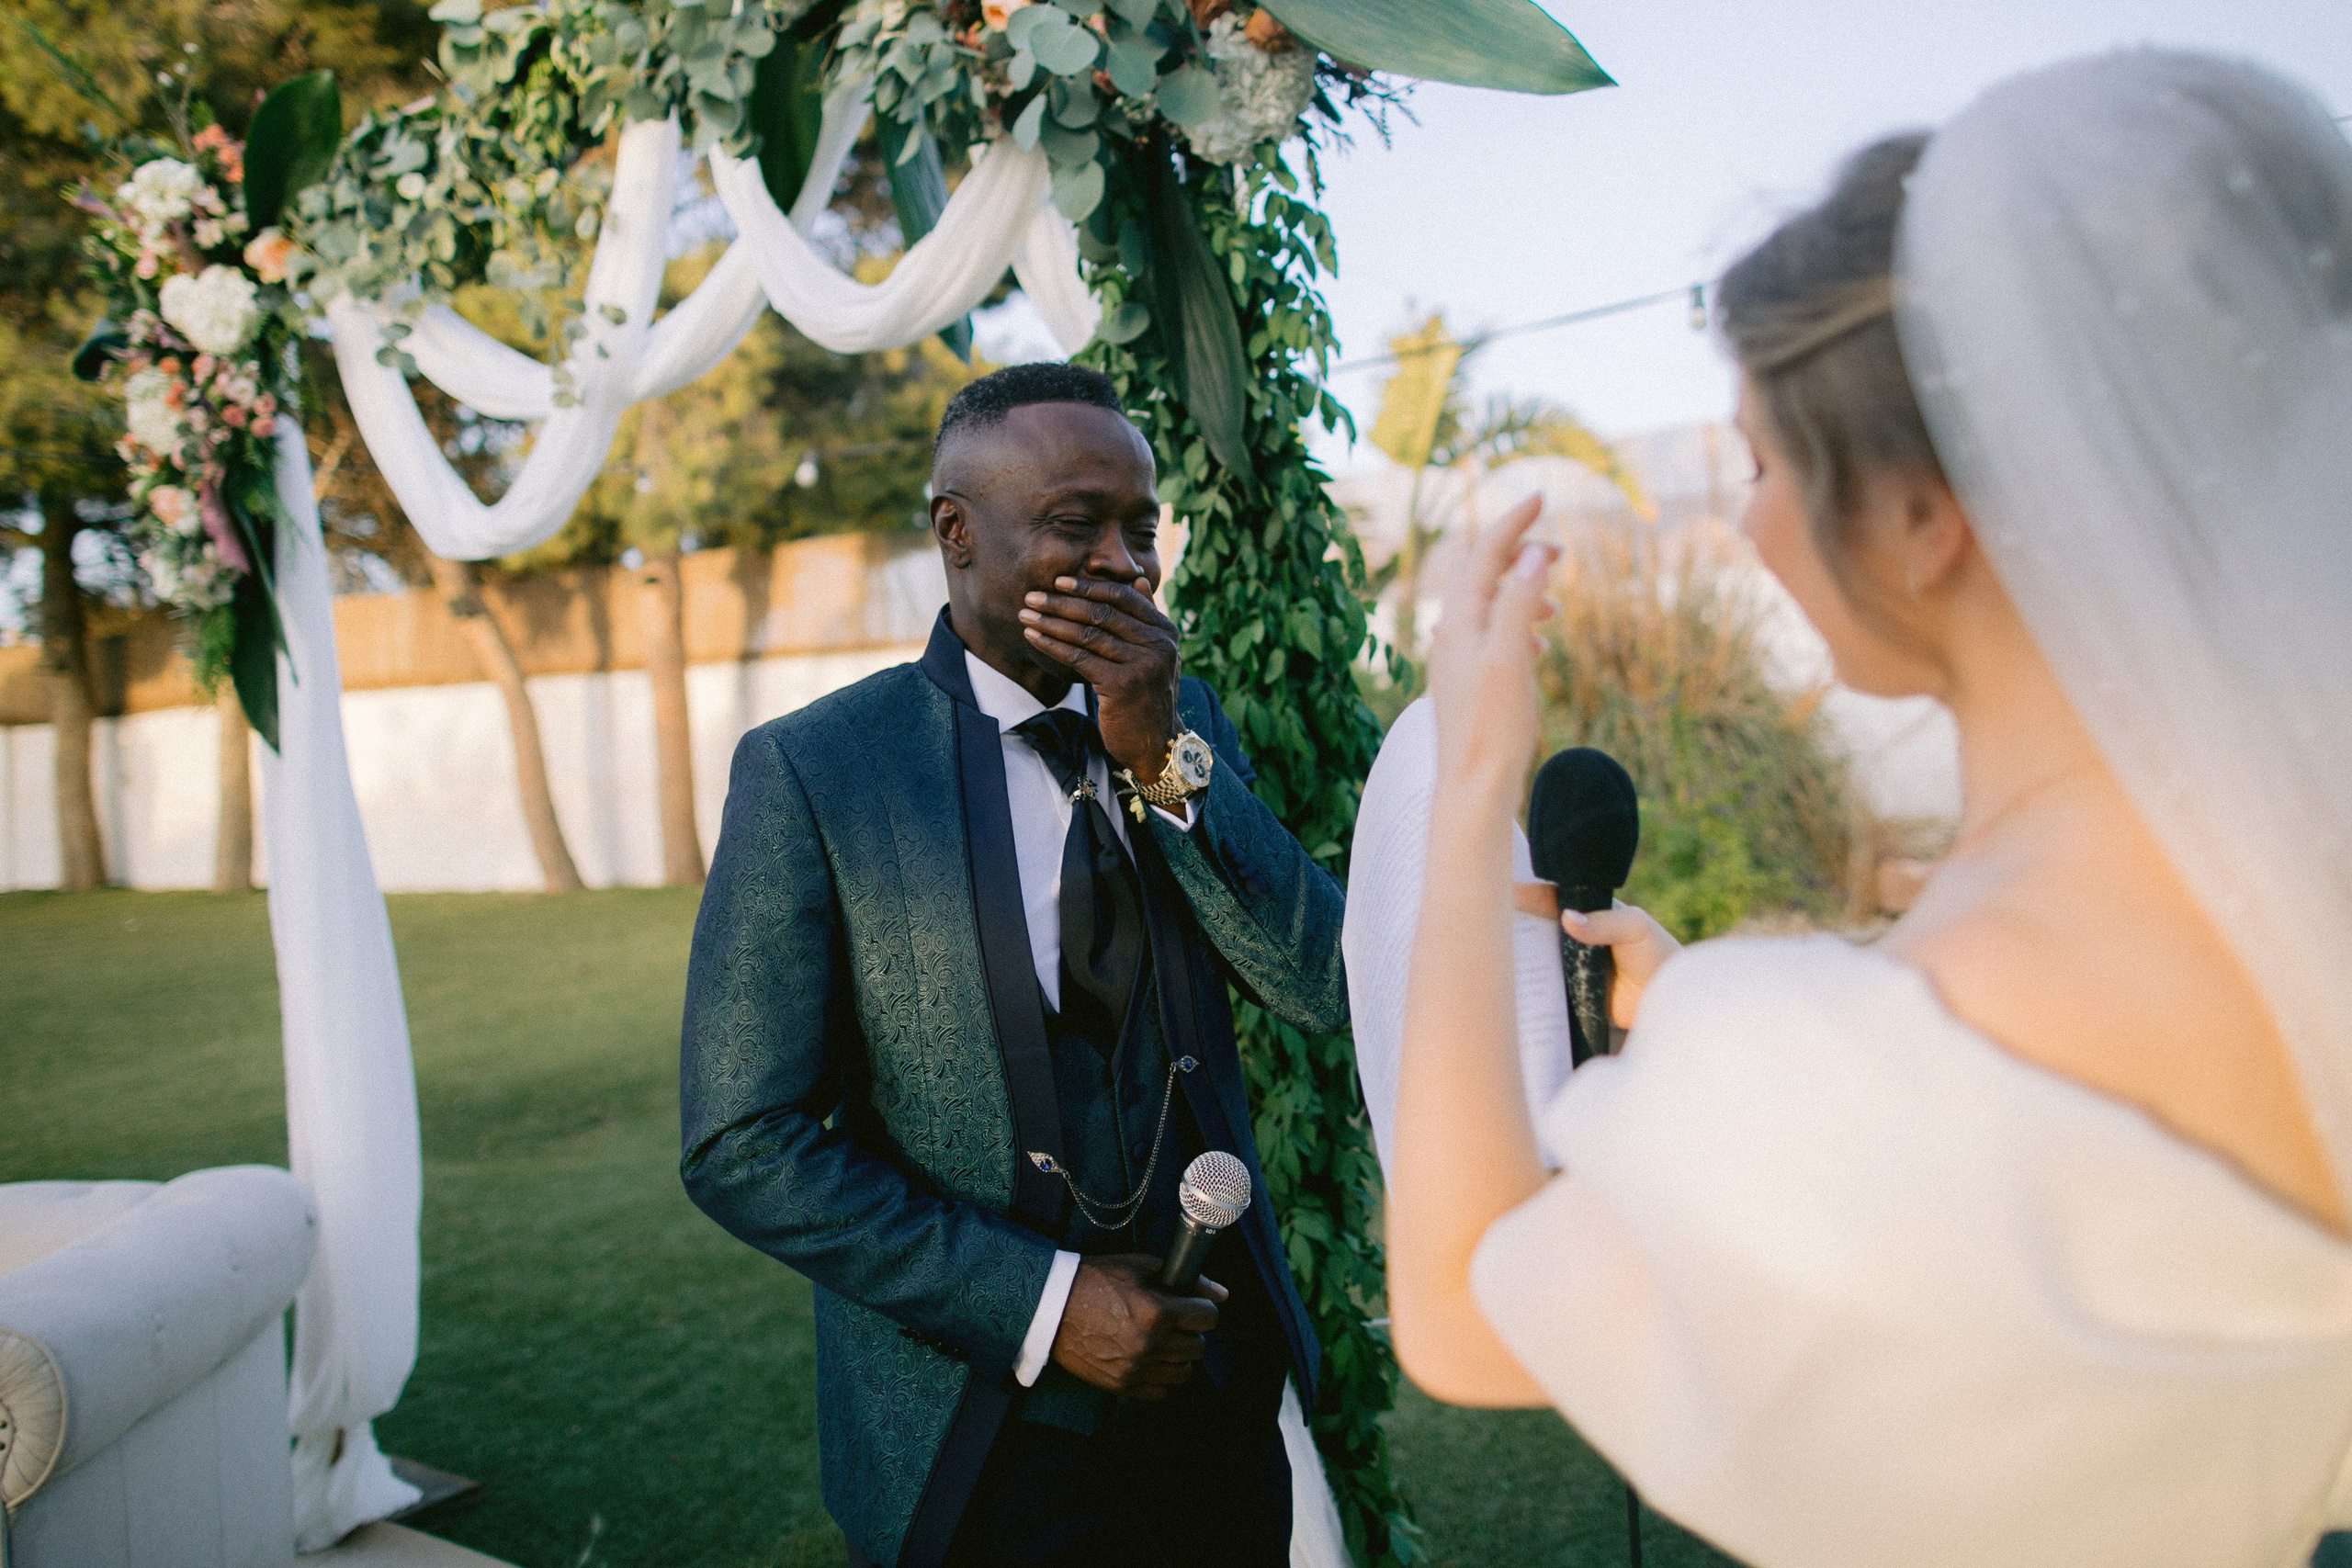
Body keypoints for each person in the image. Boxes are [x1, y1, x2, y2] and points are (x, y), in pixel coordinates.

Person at [1383, 51, 2352, 1568]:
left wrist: (1466, 793)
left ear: (1919, 517)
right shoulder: (2302, 894)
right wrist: (1721, 1008)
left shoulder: (1860, 1051)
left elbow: (1463, 1311)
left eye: (1762, 458)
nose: (1746, 510)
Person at [678, 363, 1349, 1568]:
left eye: (1142, 530)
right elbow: (742, 1142)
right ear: (957, 534)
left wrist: (1161, 759)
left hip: (1217, 1397)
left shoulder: (1183, 721)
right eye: (1074, 524)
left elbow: (1316, 983)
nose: (1128, 565)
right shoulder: (821, 771)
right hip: (984, 1438)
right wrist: (1043, 1306)